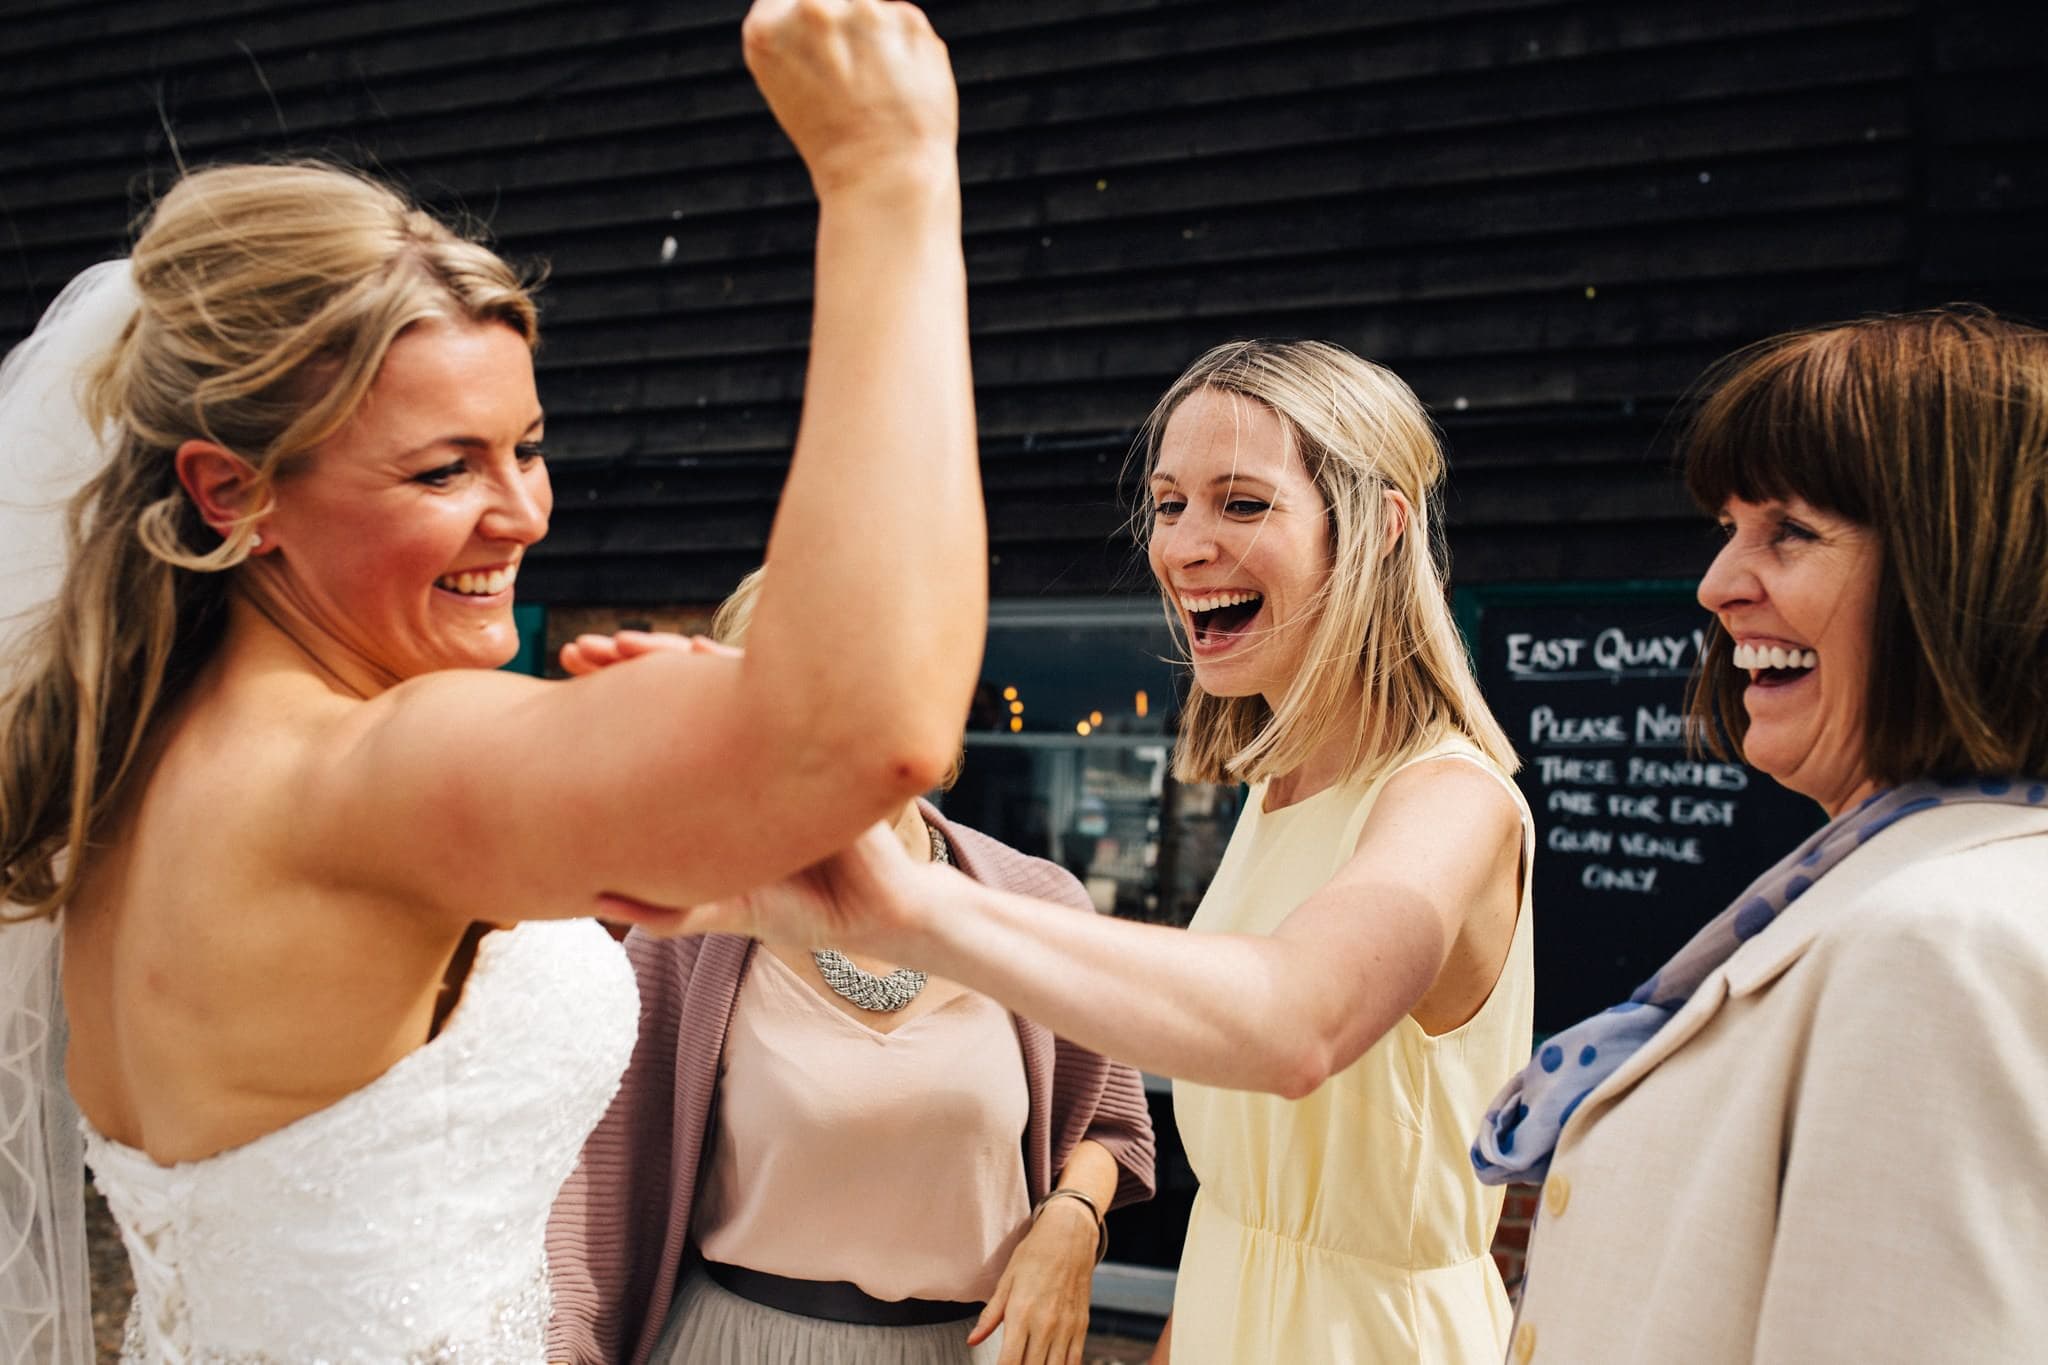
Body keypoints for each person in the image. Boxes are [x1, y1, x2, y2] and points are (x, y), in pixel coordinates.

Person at [0, 2, 982, 1359]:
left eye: (527, 446)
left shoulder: (138, 759)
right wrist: (891, 173)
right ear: (235, 493)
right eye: (442, 468)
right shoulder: (364, 774)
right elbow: (872, 731)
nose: (521, 512)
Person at [656, 339, 1538, 1364]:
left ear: (1379, 529)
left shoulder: (1450, 799)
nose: (1184, 546)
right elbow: (1251, 1226)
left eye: (1241, 504)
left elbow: (1296, 1023)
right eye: (1169, 505)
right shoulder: (1278, 798)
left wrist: (904, 907)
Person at [1471, 307, 2048, 1364]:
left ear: (1963, 567)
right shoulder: (1886, 890)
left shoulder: (1939, 947)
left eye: (1788, 530)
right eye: (1727, 528)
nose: (1716, 585)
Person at [543, 568, 1157, 1365]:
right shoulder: (696, 922)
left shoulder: (1040, 903)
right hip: (739, 1345)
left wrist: (1074, 1216)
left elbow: (1110, 1125)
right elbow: (602, 1189)